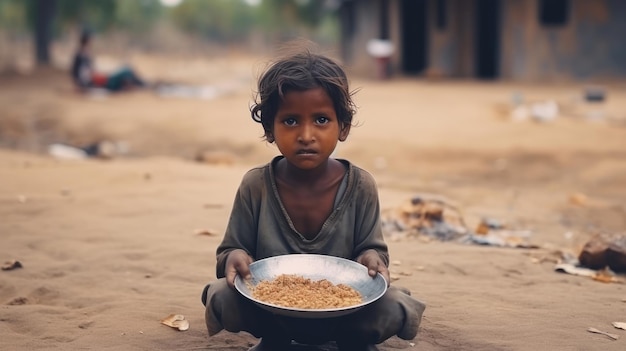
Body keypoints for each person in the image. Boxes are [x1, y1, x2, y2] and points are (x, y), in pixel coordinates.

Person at [201, 48, 425, 351]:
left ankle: (351, 343)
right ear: (269, 129)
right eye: (291, 121)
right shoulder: (256, 186)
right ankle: (275, 341)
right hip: (272, 308)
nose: (306, 135)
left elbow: (373, 250)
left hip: (345, 311)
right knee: (220, 295)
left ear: (342, 127)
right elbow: (230, 250)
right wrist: (234, 258)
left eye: (321, 119)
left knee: (396, 303)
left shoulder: (360, 186)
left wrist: (372, 259)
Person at [70, 30, 147, 92]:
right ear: (88, 41)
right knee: (126, 71)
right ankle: (145, 85)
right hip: (97, 82)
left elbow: (89, 70)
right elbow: (83, 74)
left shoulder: (85, 54)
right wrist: (84, 84)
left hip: (98, 79)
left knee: (126, 71)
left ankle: (144, 84)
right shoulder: (81, 55)